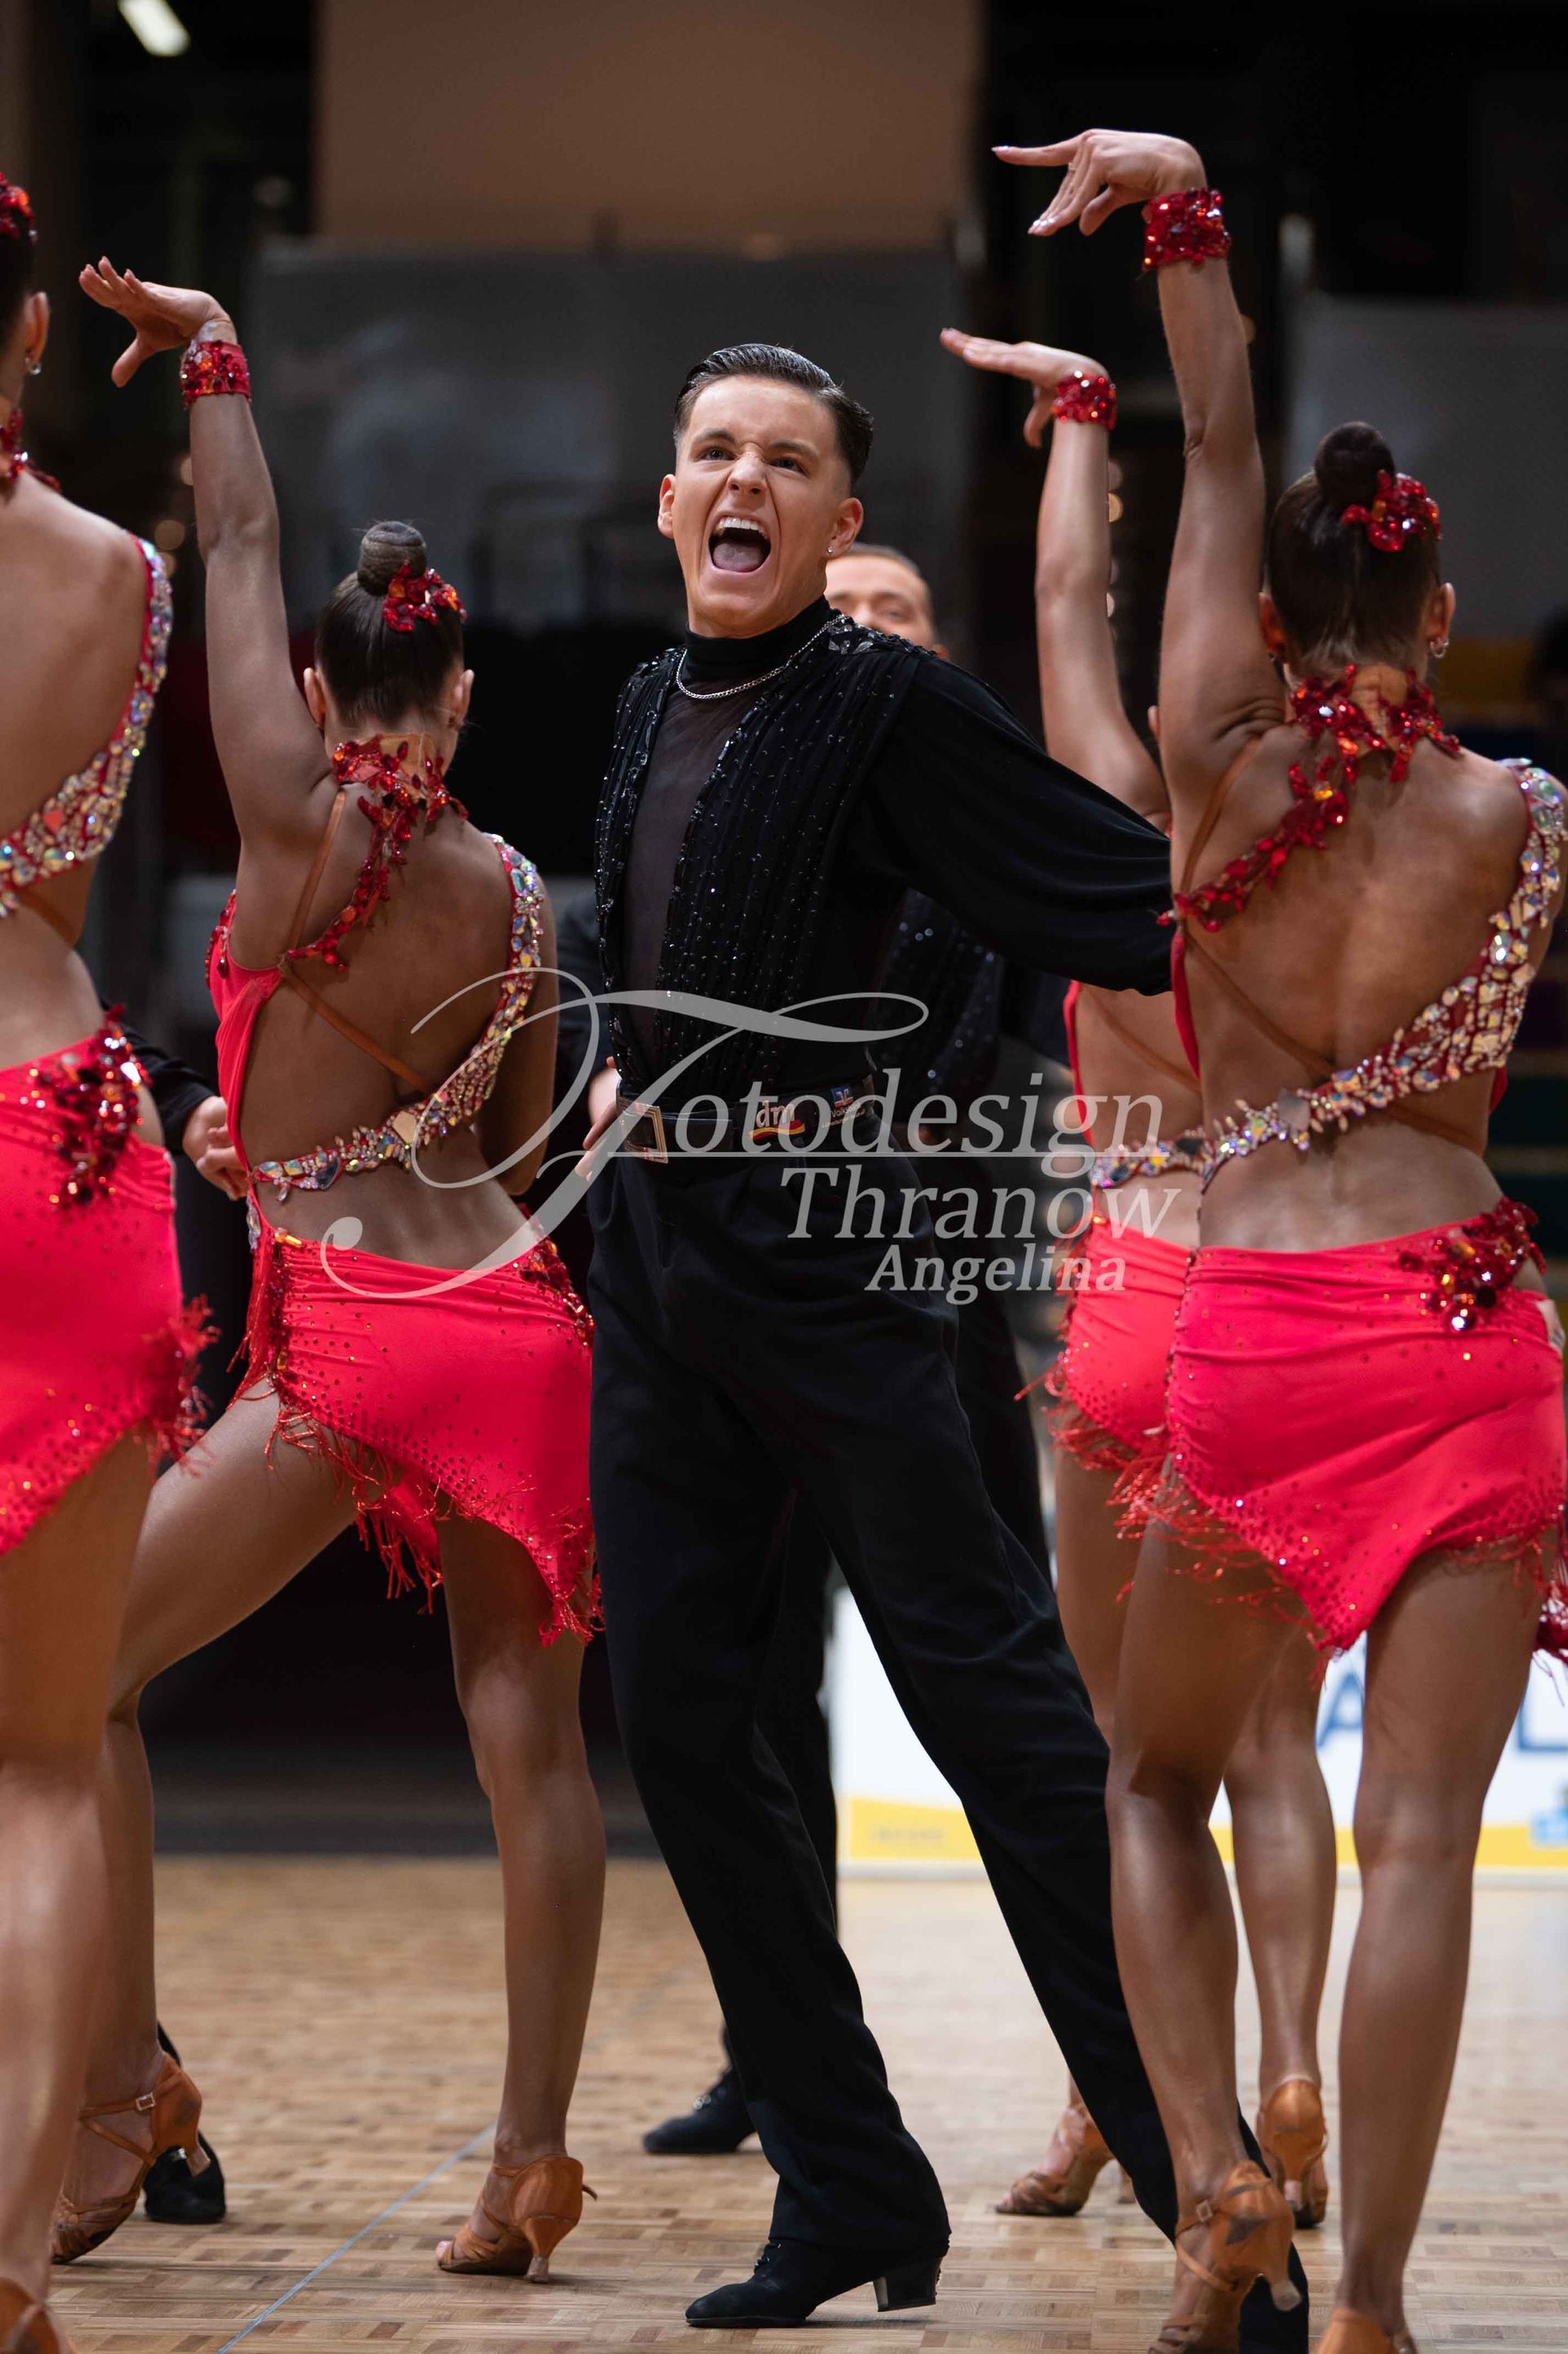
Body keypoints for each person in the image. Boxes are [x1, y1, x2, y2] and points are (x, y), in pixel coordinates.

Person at [581, 338, 1307, 2338]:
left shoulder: (885, 702)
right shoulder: (643, 699)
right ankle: (847, 2184)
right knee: (683, 1728)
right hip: (657, 1273)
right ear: (670, 498)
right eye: (714, 449)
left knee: (1011, 1731)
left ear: (839, 519)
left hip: (837, 1273)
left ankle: (1208, 2195)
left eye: (785, 459)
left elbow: (1106, 890)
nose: (743, 479)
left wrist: (1312, 901)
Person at [1004, 127, 1567, 2354]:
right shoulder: (1523, 820)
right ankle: (1381, 2306)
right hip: (1467, 1325)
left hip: (1257, 1329)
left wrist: (1192, 224)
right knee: (1421, 1836)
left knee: (1156, 1774)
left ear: (1256, 619)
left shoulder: (1206, 761)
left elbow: (1220, 436)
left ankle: (1220, 2177)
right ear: (1441, 615)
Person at [55, 260, 602, 2286]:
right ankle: (529, 2161)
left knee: (82, 1676)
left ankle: (123, 2084)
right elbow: (511, 1163)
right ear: (458, 701)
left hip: (360, 1341)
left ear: (309, 688)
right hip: (517, 1331)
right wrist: (276, 1147)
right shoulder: (521, 895)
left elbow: (237, 539)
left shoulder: (289, 824)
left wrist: (217, 359)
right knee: (530, 1745)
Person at [939, 328, 1336, 2233]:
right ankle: (1295, 2066)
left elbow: (1056, 608)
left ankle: (1137, 2101)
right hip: (1289, 1295)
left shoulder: (1106, 814)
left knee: (1134, 1761)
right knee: (1273, 1737)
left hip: (1135, 1289)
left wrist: (1085, 428)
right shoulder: (1328, 856)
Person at [640, 540, 1051, 2160]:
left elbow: (984, 1064)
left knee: (1007, 1690)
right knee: (758, 1693)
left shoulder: (967, 839)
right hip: (762, 1304)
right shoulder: (741, 837)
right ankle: (776, 2054)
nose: (868, 634)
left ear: (934, 661)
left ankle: (1115, 2068)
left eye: (900, 614)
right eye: (850, 610)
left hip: (925, 1305)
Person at [0, 176, 198, 2354]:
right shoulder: (120, 578)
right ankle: (12, 2254)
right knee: (44, 1758)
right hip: (58, 1140)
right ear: (33, 334)